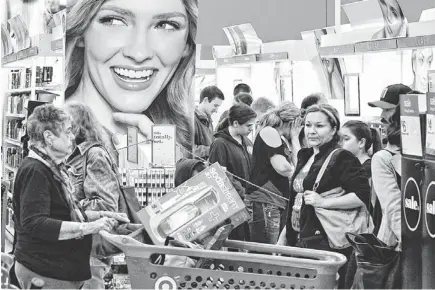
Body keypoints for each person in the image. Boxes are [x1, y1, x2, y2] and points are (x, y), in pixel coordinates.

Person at [65, 0, 198, 168]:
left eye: (165, 25)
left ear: (187, 45)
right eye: (114, 21)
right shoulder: (57, 140)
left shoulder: (174, 137)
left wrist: (171, 171)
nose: (139, 53)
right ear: (81, 31)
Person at [12, 104, 127, 289]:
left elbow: (61, 212)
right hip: (46, 271)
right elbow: (35, 223)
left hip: (56, 270)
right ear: (48, 137)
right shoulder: (36, 171)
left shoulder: (51, 167)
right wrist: (89, 227)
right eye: (67, 132)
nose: (72, 137)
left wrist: (102, 216)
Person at [278, 104, 371, 289]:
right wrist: (284, 236)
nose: (312, 131)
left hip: (323, 240)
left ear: (333, 129)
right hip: (297, 237)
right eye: (308, 125)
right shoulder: (305, 155)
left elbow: (362, 196)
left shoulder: (341, 157)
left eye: (319, 126)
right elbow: (297, 199)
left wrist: (324, 202)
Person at [65, 102, 124, 289]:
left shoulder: (94, 154)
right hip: (78, 243)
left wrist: (68, 206)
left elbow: (106, 205)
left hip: (91, 247)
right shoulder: (72, 155)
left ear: (75, 126)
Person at [246, 102, 302, 245]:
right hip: (266, 199)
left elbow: (300, 163)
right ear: (293, 122)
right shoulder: (270, 132)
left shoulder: (281, 138)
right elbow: (283, 167)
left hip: (274, 201)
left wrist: (294, 139)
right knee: (268, 249)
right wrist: (296, 175)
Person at [209, 103, 257, 241]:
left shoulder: (247, 141)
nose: (251, 129)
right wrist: (240, 191)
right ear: (236, 123)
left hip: (247, 201)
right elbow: (217, 176)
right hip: (231, 205)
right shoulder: (220, 144)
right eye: (248, 126)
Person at [371, 105, 402, 250]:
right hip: (399, 244)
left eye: (387, 109)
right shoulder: (385, 158)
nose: (383, 115)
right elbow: (392, 206)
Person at [194, 85, 225, 159]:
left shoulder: (208, 120)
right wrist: (212, 149)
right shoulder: (191, 119)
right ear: (205, 100)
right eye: (215, 105)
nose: (216, 110)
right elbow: (188, 149)